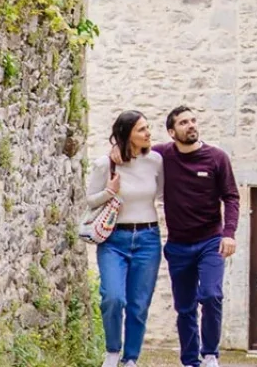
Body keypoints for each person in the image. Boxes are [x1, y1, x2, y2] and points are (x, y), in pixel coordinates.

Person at [155, 105, 240, 367]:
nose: (190, 125)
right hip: (178, 245)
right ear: (172, 132)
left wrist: (229, 233)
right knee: (185, 308)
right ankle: (190, 361)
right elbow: (133, 152)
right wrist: (115, 152)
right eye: (183, 123)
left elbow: (231, 196)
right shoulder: (162, 156)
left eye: (193, 121)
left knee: (211, 295)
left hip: (211, 241)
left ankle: (210, 354)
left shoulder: (216, 157)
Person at [88, 110, 165, 367]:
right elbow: (89, 201)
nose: (148, 133)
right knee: (113, 297)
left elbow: (164, 193)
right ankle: (112, 351)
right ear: (127, 134)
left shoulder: (156, 161)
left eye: (148, 127)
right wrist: (109, 191)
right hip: (114, 239)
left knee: (139, 304)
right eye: (142, 129)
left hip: (148, 238)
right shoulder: (105, 164)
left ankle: (130, 359)